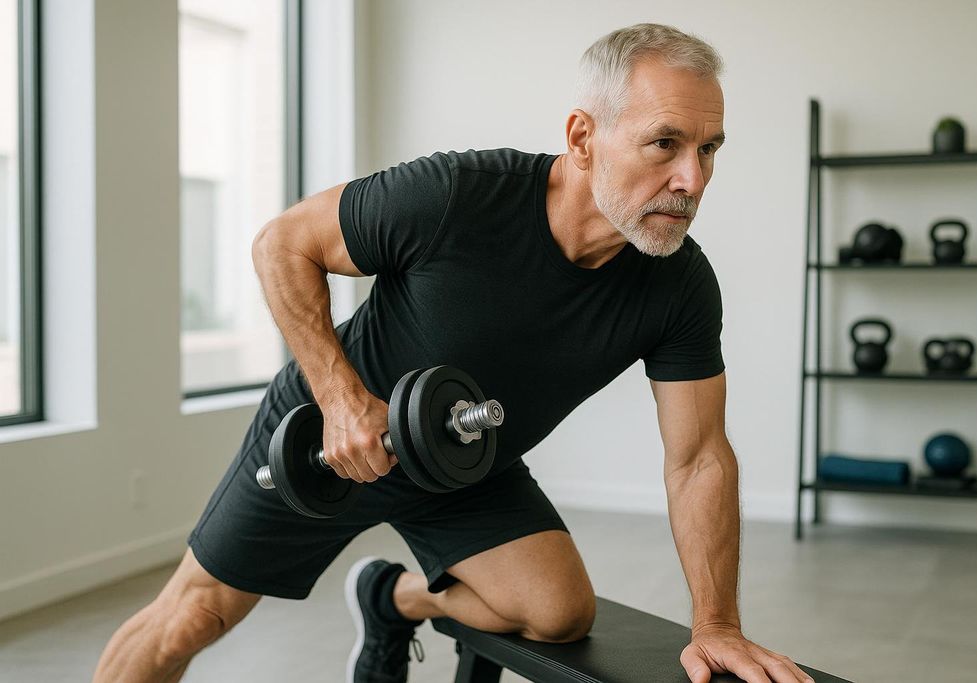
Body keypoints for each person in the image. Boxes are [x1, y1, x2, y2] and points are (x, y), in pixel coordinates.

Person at [93, 23, 812, 683]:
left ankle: (394, 598)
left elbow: (700, 457)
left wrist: (717, 623)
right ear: (583, 136)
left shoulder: (677, 283)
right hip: (327, 434)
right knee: (190, 617)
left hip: (466, 460)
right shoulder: (459, 196)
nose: (693, 179)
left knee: (559, 612)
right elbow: (282, 242)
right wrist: (340, 400)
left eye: (708, 149)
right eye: (666, 143)